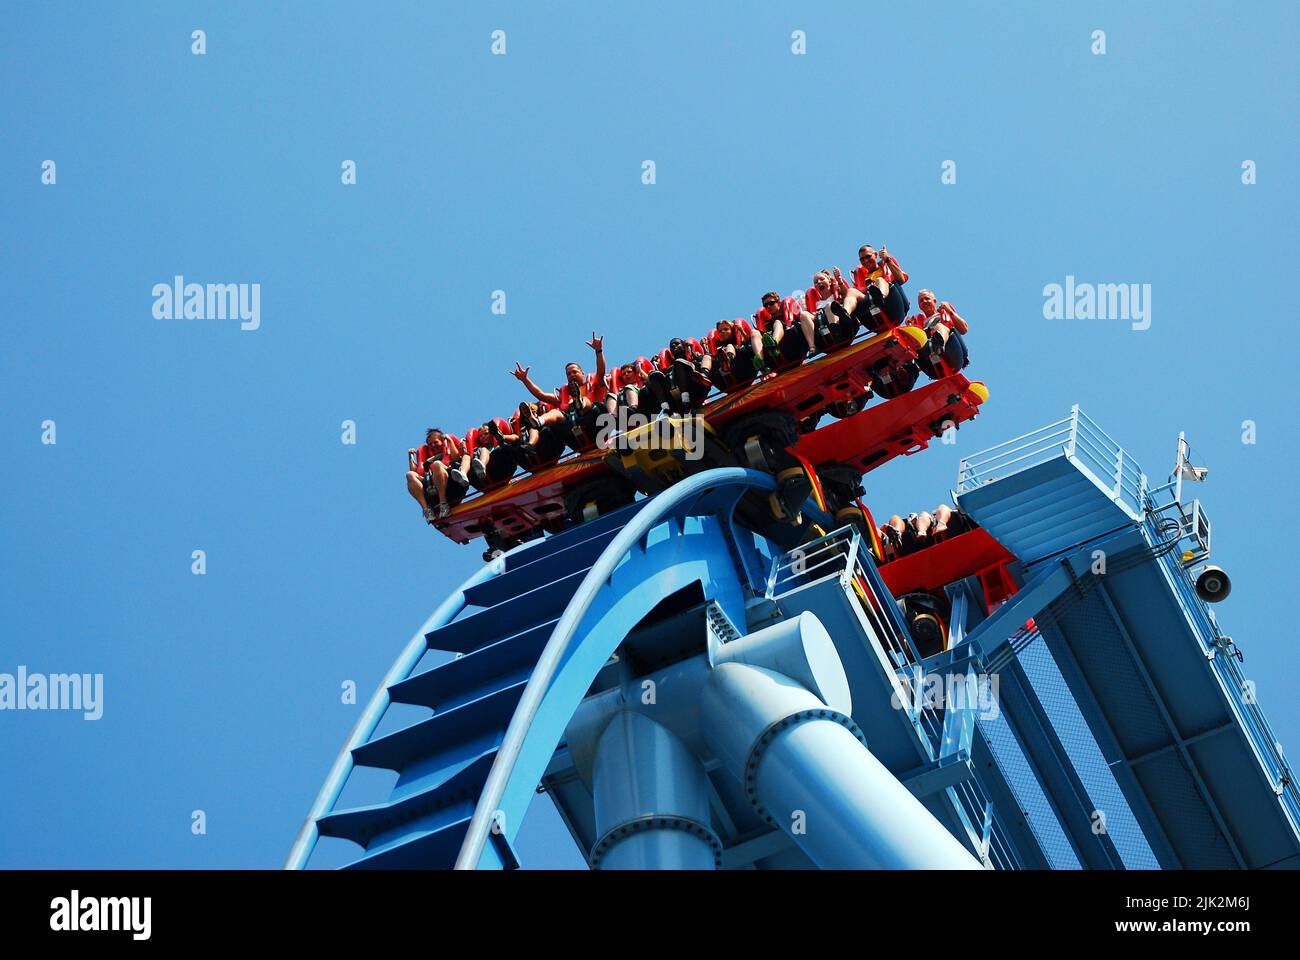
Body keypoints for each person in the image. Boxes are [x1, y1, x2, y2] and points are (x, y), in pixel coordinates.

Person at [511, 333, 608, 450]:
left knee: (586, 401)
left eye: (575, 372)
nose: (572, 375)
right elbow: (541, 395)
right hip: (574, 432)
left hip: (597, 425)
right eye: (569, 374)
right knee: (556, 413)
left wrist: (598, 351)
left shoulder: (594, 384)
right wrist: (525, 380)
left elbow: (601, 370)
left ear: (582, 373)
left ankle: (579, 402)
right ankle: (538, 421)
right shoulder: (564, 396)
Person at [406, 428, 469, 522]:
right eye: (430, 444)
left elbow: (457, 458)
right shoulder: (428, 456)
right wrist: (411, 457)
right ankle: (427, 510)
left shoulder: (448, 448)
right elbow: (417, 472)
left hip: (453, 487)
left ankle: (444, 504)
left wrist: (450, 441)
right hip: (433, 492)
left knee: (437, 464)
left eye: (435, 442)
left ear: (442, 441)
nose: (433, 445)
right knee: (410, 475)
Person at [907, 289, 970, 378]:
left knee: (940, 326)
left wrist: (950, 311)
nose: (924, 302)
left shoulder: (942, 314)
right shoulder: (920, 323)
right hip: (930, 363)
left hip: (952, 352)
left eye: (927, 298)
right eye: (921, 301)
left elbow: (964, 329)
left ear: (934, 301)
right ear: (919, 306)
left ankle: (937, 346)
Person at [851, 245, 910, 331]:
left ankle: (879, 297)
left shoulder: (885, 265)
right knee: (851, 291)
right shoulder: (861, 277)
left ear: (875, 255)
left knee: (879, 280)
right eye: (862, 259)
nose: (866, 261)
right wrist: (840, 283)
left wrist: (887, 259)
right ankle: (844, 313)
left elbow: (901, 280)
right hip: (873, 316)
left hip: (894, 309)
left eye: (868, 256)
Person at [753, 291, 817, 368]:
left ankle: (774, 342)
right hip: (779, 354)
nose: (768, 307)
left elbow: (801, 319)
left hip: (794, 342)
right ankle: (760, 361)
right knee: (754, 332)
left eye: (771, 303)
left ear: (779, 303)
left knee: (777, 322)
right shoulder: (768, 323)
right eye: (766, 305)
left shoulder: (788, 314)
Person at [702, 317, 764, 389]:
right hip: (724, 379)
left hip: (742, 370)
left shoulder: (739, 343)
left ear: (732, 330)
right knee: (706, 357)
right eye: (720, 331)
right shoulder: (719, 348)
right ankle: (704, 375)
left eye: (726, 329)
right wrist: (705, 346)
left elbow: (748, 342)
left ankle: (728, 362)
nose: (722, 332)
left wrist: (741, 330)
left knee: (729, 346)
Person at [804, 269, 858, 351]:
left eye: (822, 279)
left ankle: (836, 332)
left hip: (844, 328)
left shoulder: (838, 294)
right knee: (804, 314)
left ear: (829, 281)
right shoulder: (816, 304)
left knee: (830, 305)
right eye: (816, 282)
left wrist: (839, 280)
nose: (818, 282)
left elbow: (849, 294)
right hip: (824, 333)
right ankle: (812, 347)